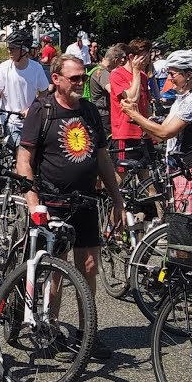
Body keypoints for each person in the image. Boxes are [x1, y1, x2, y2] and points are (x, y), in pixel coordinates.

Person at [16, 54, 123, 359]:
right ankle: (50, 328)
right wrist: (33, 201)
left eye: (83, 76)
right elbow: (24, 159)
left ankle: (86, 332)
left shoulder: (89, 111)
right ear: (56, 79)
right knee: (56, 271)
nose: (80, 83)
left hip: (86, 202)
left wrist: (117, 197)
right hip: (52, 203)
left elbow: (102, 157)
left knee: (88, 268)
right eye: (74, 78)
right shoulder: (43, 109)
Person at [119, 50, 192, 214]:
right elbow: (157, 135)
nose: (169, 79)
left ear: (188, 74)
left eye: (173, 74)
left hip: (190, 169)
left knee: (186, 229)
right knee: (177, 226)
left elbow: (164, 133)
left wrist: (134, 114)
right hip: (176, 169)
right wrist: (142, 121)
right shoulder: (181, 100)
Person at [0, 31, 50, 143]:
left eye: (13, 48)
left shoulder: (36, 68)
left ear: (24, 50)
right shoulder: (3, 68)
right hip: (9, 122)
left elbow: (44, 93)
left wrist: (32, 109)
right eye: (8, 48)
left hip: (30, 121)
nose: (9, 51)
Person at [108, 39, 154, 162]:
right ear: (131, 57)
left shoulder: (143, 76)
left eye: (147, 57)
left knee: (148, 175)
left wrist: (152, 128)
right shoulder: (117, 74)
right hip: (125, 133)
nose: (145, 61)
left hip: (144, 134)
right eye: (142, 58)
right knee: (121, 176)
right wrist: (137, 72)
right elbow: (132, 99)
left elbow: (147, 104)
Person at [86, 43, 124, 132]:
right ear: (115, 60)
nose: (119, 65)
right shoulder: (103, 73)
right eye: (119, 62)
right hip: (103, 114)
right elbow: (112, 90)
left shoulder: (96, 69)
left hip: (98, 112)